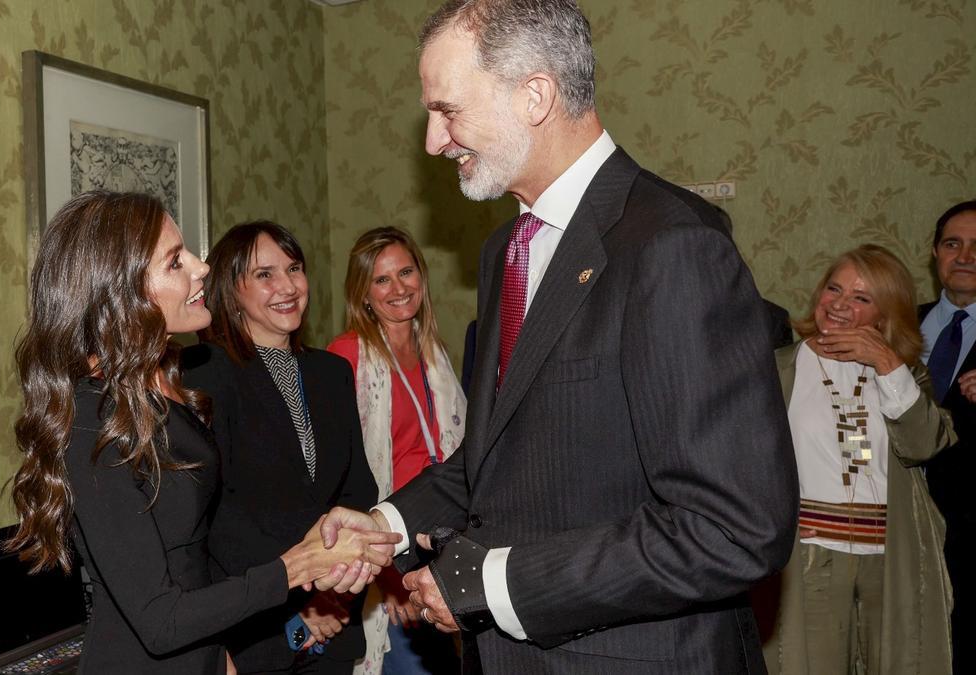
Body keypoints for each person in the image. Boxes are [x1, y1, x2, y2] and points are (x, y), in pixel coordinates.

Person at [318, 1, 799, 672]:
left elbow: (732, 527)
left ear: (535, 95)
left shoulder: (673, 246)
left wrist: (495, 583)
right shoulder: (504, 252)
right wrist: (386, 525)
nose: (433, 140)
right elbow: (497, 457)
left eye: (447, 110)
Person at [3, 192, 398, 674]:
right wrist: (297, 567)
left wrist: (223, 657)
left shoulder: (159, 387)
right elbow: (159, 618)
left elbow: (189, 561)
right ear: (121, 290)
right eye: (175, 262)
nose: (201, 267)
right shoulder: (92, 419)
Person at [182, 221, 380, 674]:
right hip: (254, 630)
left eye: (294, 268)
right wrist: (297, 601)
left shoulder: (332, 373)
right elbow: (216, 517)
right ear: (232, 291)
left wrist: (335, 592)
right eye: (265, 275)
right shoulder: (206, 375)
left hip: (337, 619)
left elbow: (357, 492)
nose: (287, 286)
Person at [759, 245, 953, 674]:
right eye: (834, 289)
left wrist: (888, 363)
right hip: (810, 554)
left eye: (861, 298)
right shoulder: (776, 370)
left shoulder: (906, 376)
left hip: (893, 557)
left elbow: (924, 445)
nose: (840, 305)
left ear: (885, 314)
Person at [327, 227, 465, 674]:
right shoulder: (346, 357)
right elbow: (341, 484)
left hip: (443, 544)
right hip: (388, 554)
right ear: (363, 293)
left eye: (406, 272)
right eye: (382, 279)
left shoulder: (436, 356)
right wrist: (387, 579)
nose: (399, 288)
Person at [920, 200, 976, 674]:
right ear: (935, 254)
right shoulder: (889, 324)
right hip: (894, 530)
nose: (966, 255)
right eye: (953, 243)